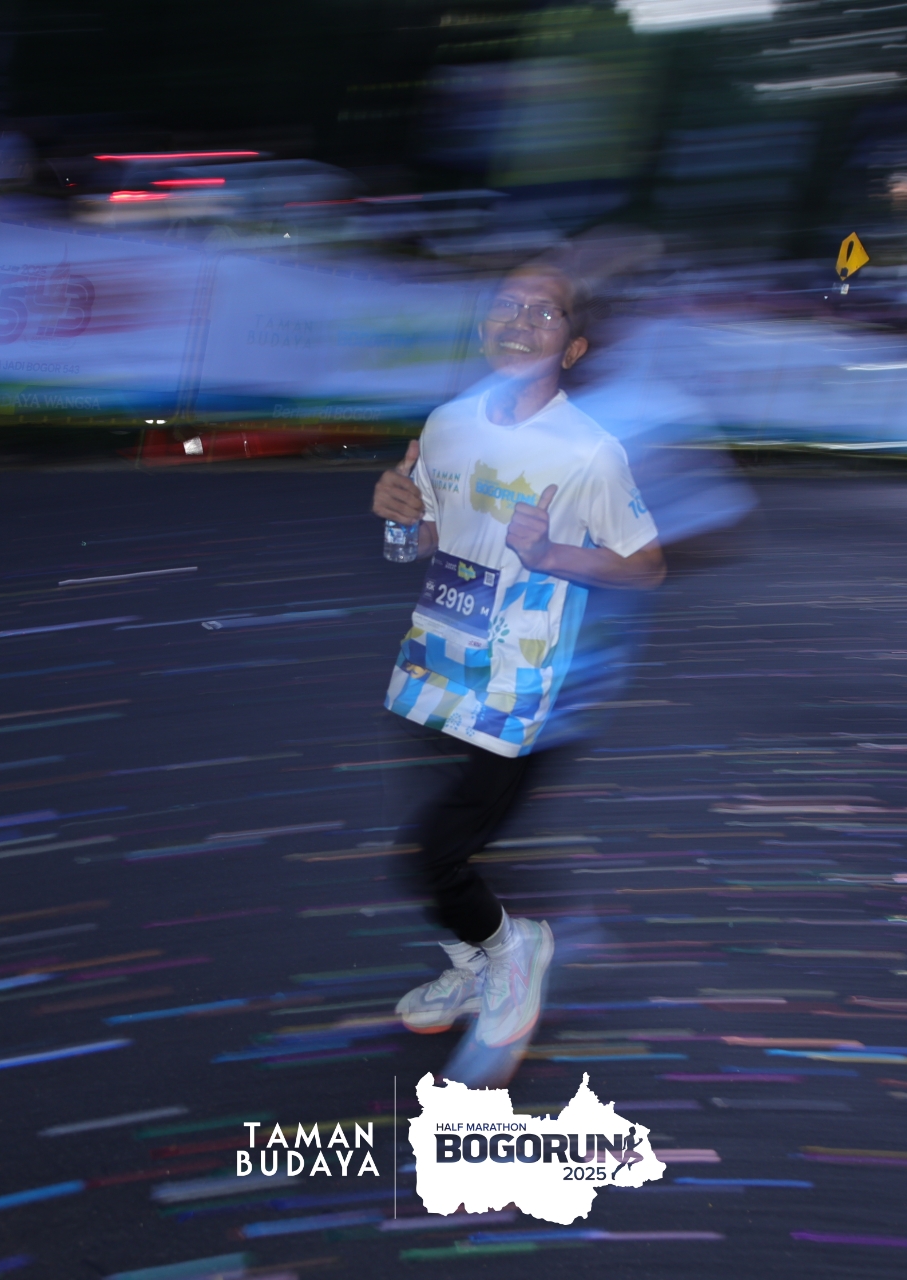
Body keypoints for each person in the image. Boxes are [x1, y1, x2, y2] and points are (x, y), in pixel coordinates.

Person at [370, 262, 666, 1053]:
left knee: (431, 856)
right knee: (438, 853)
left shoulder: (589, 451)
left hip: (518, 685)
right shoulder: (447, 423)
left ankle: (512, 950)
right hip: (431, 667)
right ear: (484, 326)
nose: (521, 320)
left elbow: (647, 566)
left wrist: (553, 555)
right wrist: (397, 515)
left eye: (545, 311)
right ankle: (473, 963)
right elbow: (422, 541)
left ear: (572, 347)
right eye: (508, 304)